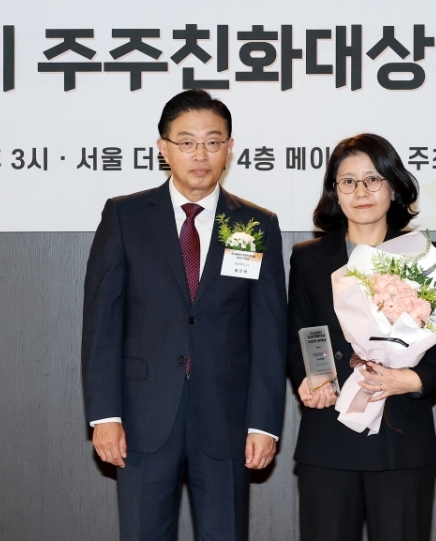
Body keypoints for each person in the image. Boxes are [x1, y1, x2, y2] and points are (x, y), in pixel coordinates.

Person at [82, 89, 286, 541]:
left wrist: (263, 423)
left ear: (229, 148)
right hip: (142, 416)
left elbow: (268, 331)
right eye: (187, 142)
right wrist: (105, 415)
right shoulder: (125, 216)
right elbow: (102, 324)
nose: (200, 154)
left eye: (213, 142)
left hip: (227, 418)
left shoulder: (254, 224)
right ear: (164, 148)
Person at [288, 133, 436, 541]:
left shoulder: (424, 255)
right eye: (348, 181)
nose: (361, 191)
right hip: (330, 436)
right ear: (335, 191)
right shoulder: (309, 258)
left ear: (393, 187)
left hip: (402, 437)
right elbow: (300, 332)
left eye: (373, 179)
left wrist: (412, 380)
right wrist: (310, 378)